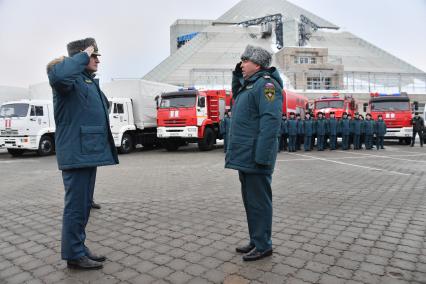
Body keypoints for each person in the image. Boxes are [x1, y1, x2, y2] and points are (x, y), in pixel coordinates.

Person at [47, 38, 119, 270]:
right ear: (80, 56)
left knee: (85, 205)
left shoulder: (85, 80)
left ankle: (79, 247)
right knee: (76, 206)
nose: (98, 60)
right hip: (77, 153)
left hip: (88, 151)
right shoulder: (66, 80)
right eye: (93, 55)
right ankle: (74, 254)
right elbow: (58, 76)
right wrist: (81, 55)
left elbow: (102, 106)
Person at [226, 45, 283, 261]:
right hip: (245, 155)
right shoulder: (248, 86)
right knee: (251, 201)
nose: (241, 65)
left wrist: (262, 156)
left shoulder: (266, 86)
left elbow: (270, 121)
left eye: (245, 61)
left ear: (257, 64)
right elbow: (236, 90)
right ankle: (256, 239)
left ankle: (263, 245)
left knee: (259, 201)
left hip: (256, 156)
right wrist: (236, 73)